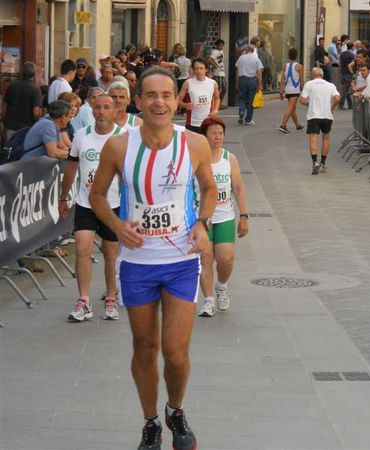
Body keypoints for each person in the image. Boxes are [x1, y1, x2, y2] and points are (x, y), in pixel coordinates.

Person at [88, 67, 217, 450]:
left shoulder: (194, 143)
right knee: (145, 350)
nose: (159, 102)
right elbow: (96, 195)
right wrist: (115, 224)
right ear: (139, 101)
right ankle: (150, 424)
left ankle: (175, 411)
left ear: (177, 100)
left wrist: (203, 224)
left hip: (180, 261)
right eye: (151, 95)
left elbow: (209, 188)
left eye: (166, 95)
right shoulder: (119, 146)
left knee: (176, 354)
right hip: (138, 264)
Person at [59, 94, 124, 322]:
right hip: (86, 203)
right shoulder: (81, 135)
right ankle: (84, 301)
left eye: (107, 107)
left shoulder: (123, 137)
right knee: (82, 248)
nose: (101, 112)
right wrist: (63, 197)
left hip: (112, 205)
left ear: (115, 111)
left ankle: (110, 299)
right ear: (92, 110)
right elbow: (71, 167)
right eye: (97, 107)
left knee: (110, 254)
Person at [197, 116, 249, 317]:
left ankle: (221, 286)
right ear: (205, 136)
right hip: (202, 219)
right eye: (213, 133)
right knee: (206, 258)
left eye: (221, 133)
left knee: (225, 259)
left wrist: (244, 215)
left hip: (225, 216)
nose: (218, 137)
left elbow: (238, 188)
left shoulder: (230, 158)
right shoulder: (196, 158)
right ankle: (208, 300)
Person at [299, 67, 340, 175]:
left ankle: (314, 162)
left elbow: (302, 100)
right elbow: (337, 98)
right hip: (327, 115)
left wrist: (309, 104)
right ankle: (323, 163)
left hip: (314, 115)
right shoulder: (331, 85)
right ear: (321, 75)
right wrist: (332, 108)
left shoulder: (309, 84)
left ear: (313, 74)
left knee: (313, 139)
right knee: (326, 139)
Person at [1, 61, 41, 142]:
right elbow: (36, 113)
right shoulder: (35, 89)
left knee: (9, 151)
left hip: (10, 126)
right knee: (23, 152)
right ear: (34, 74)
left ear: (22, 73)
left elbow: (4, 108)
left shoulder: (12, 85)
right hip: (26, 128)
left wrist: (4, 120)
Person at [177, 58, 219, 133]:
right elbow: (178, 100)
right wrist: (185, 105)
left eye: (201, 68)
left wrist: (215, 110)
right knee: (192, 145)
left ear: (206, 69)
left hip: (207, 121)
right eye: (196, 68)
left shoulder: (213, 83)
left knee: (206, 144)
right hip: (192, 123)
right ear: (193, 70)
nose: (199, 71)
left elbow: (217, 98)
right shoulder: (188, 83)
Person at [278, 48, 305, 133]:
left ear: (288, 56)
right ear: (296, 56)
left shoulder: (285, 66)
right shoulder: (299, 66)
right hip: (295, 90)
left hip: (287, 90)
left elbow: (282, 79)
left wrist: (281, 91)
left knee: (292, 109)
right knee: (290, 107)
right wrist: (305, 91)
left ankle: (298, 126)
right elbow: (301, 80)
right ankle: (283, 125)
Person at [234, 45, 263, 126]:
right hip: (252, 80)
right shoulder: (256, 59)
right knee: (251, 100)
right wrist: (260, 84)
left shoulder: (241, 58)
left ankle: (242, 110)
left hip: (242, 80)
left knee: (242, 97)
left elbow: (238, 71)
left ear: (246, 50)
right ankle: (248, 120)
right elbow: (259, 73)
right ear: (253, 51)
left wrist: (237, 83)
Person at [210, 39, 227, 108]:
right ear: (217, 45)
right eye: (220, 45)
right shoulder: (214, 52)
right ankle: (216, 104)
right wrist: (216, 66)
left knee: (224, 88)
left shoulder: (221, 52)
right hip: (217, 73)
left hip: (222, 72)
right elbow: (210, 60)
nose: (221, 47)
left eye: (222, 45)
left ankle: (219, 102)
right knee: (219, 89)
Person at [338, 41, 355, 110]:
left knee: (346, 89)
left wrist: (340, 72)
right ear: (352, 47)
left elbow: (340, 63)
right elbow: (352, 65)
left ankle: (350, 104)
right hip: (349, 73)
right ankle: (341, 104)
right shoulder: (352, 55)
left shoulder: (342, 54)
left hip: (343, 72)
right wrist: (353, 73)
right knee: (346, 90)